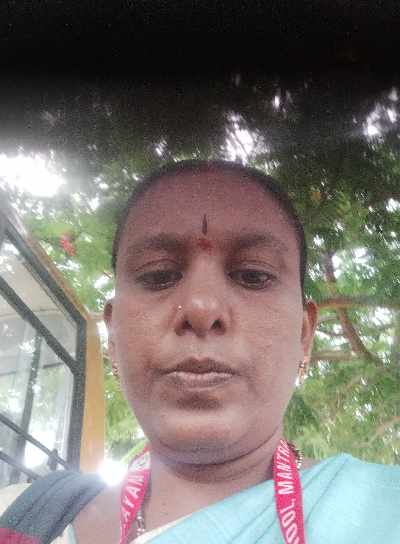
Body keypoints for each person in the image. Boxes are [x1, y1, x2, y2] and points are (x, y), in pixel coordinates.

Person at [1, 160, 400, 543]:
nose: (201, 308)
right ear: (113, 336)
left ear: (304, 335)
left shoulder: (385, 510)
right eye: (158, 275)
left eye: (253, 275)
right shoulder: (20, 515)